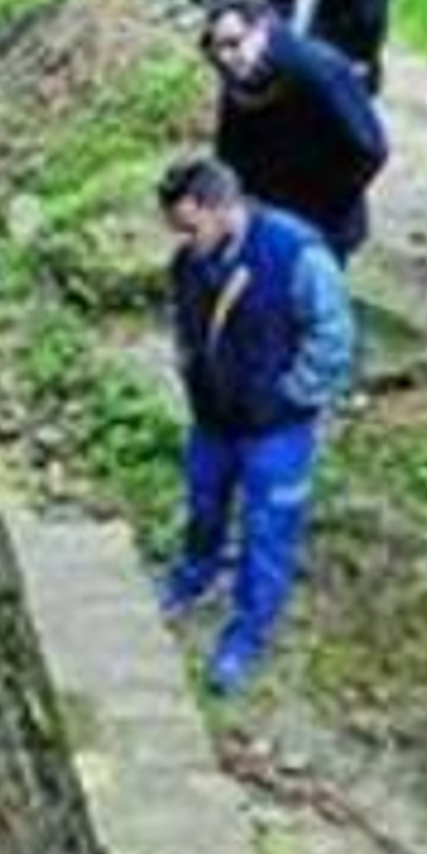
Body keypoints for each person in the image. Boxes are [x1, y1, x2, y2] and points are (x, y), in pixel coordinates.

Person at [158, 155, 354, 694]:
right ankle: (195, 574)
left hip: (275, 429)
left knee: (269, 530)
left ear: (221, 208)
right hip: (214, 419)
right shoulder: (190, 260)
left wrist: (290, 397)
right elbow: (183, 324)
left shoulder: (296, 254)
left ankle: (247, 634)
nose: (184, 240)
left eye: (190, 226)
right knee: (203, 501)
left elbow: (334, 337)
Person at [202, 0, 388, 262]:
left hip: (322, 224)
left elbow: (370, 149)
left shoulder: (318, 69)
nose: (227, 57)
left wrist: (323, 203)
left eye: (234, 43)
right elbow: (229, 150)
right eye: (218, 49)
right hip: (263, 218)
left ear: (262, 29)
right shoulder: (239, 78)